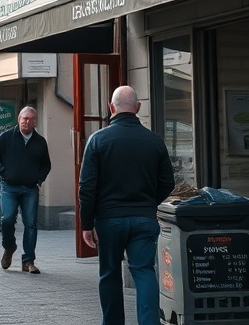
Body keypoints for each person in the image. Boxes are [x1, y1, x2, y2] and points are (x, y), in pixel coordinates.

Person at [78, 86, 175, 325]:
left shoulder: (98, 140)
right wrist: (149, 204)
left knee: (109, 273)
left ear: (111, 108)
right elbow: (168, 183)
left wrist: (87, 223)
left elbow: (87, 187)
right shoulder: (154, 141)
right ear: (138, 108)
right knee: (144, 271)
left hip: (109, 220)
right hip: (144, 218)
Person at [0, 106, 51, 274]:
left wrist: (39, 179)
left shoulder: (40, 142)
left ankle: (28, 261)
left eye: (30, 119)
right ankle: (9, 247)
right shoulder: (7, 137)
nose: (26, 122)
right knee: (7, 219)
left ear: (35, 122)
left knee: (30, 224)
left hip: (30, 189)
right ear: (18, 119)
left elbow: (46, 164)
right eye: (24, 118)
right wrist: (3, 171)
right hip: (9, 187)